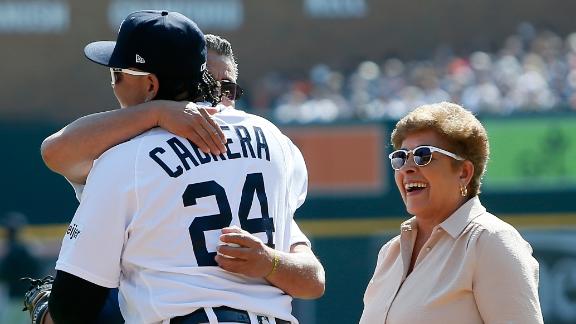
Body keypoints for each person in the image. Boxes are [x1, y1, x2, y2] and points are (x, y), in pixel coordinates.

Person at [42, 10, 323, 324]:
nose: (114, 86)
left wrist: (47, 314)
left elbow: (74, 306)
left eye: (117, 75)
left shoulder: (125, 158)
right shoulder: (275, 140)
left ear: (149, 85)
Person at [360, 102, 543, 323]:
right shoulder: (391, 252)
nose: (407, 167)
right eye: (401, 157)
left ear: (464, 172)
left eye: (422, 155)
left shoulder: (490, 241)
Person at [0, 212, 41, 324]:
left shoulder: (13, 252)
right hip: (27, 296)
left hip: (15, 297)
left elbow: (4, 274)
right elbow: (36, 271)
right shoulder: (27, 249)